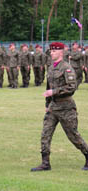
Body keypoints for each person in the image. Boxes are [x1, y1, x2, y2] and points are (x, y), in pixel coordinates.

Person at [31, 42, 88, 172]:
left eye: (55, 51)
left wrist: (54, 92)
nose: (52, 53)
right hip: (53, 107)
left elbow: (71, 87)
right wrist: (47, 103)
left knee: (73, 135)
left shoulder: (67, 68)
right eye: (51, 51)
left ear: (61, 52)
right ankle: (45, 163)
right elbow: (48, 87)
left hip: (66, 107)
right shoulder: (51, 68)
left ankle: (87, 155)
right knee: (45, 134)